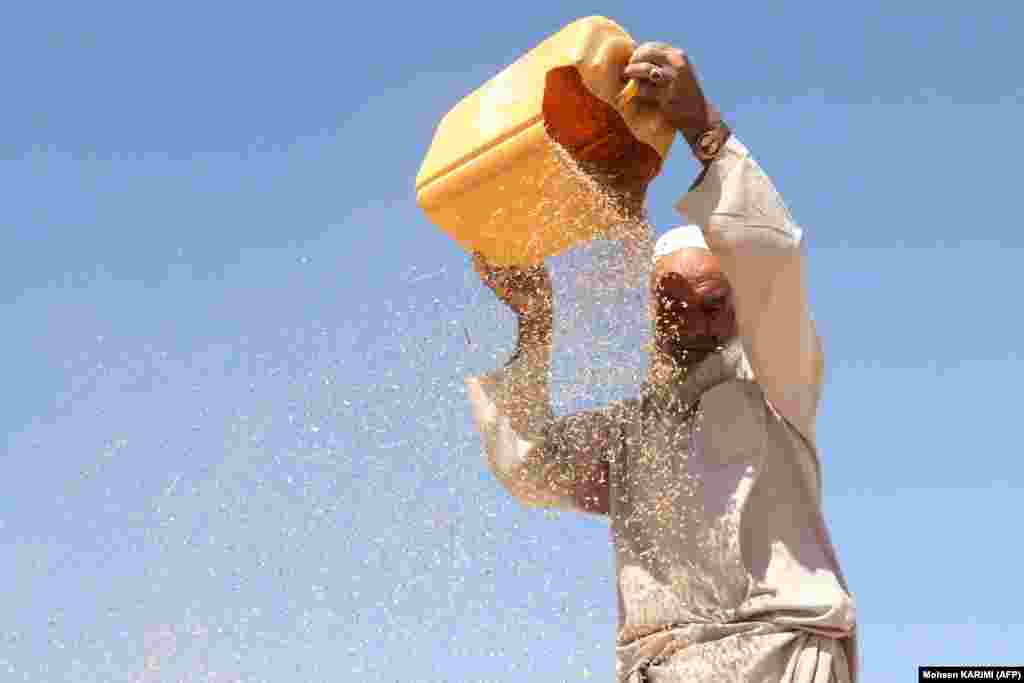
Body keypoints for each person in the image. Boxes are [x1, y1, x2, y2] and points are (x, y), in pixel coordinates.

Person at [465, 42, 858, 682]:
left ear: (742, 306)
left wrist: (701, 127)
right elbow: (529, 466)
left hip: (778, 658)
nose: (694, 323)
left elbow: (774, 263)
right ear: (649, 314)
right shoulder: (631, 435)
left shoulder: (778, 385)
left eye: (714, 303)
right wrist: (535, 321)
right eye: (673, 305)